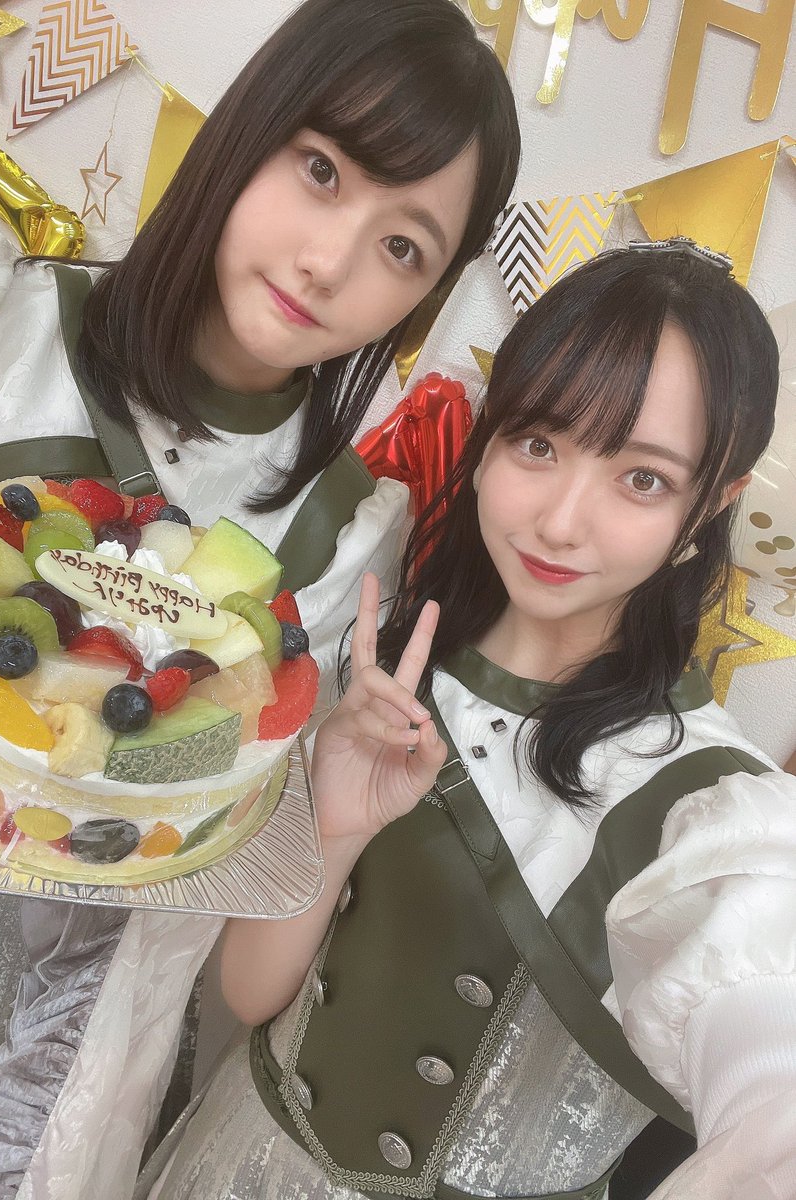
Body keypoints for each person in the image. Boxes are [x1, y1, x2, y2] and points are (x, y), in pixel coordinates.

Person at [0, 1, 521, 1195]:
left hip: (49, 1078)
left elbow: (201, 892)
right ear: (249, 127)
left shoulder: (348, 536)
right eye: (322, 171)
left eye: (404, 247)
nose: (330, 262)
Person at [147, 241, 796, 1200]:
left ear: (712, 505)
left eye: (643, 479)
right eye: (539, 444)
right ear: (490, 439)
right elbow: (249, 996)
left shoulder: (710, 804)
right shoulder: (378, 663)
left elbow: (765, 1045)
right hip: (238, 1164)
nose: (561, 521)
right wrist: (333, 827)